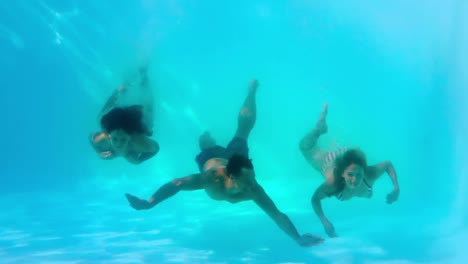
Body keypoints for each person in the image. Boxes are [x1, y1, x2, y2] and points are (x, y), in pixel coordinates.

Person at [125, 79, 324, 247]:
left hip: (237, 158)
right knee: (205, 144)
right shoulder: (212, 179)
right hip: (211, 158)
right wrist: (150, 203)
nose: (252, 185)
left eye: (252, 179)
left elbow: (277, 215)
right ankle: (208, 141)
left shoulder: (253, 188)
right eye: (247, 181)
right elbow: (177, 184)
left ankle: (252, 91)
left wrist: (298, 238)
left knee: (243, 131)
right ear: (230, 176)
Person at [299, 103, 400, 237]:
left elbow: (388, 165)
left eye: (359, 174)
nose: (354, 179)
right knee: (304, 147)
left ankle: (323, 133)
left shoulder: (369, 174)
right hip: (328, 161)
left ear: (364, 171)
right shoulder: (333, 183)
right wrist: (324, 221)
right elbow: (315, 199)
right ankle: (318, 130)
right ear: (342, 174)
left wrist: (396, 188)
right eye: (350, 175)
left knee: (317, 147)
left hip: (348, 157)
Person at [89, 65, 160, 164]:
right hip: (127, 122)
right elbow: (92, 137)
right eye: (115, 139)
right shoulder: (103, 138)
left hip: (140, 120)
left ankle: (141, 77)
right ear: (109, 136)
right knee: (101, 118)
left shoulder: (139, 142)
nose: (118, 144)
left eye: (123, 139)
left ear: (130, 137)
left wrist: (140, 160)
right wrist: (98, 152)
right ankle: (125, 85)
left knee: (147, 118)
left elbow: (156, 148)